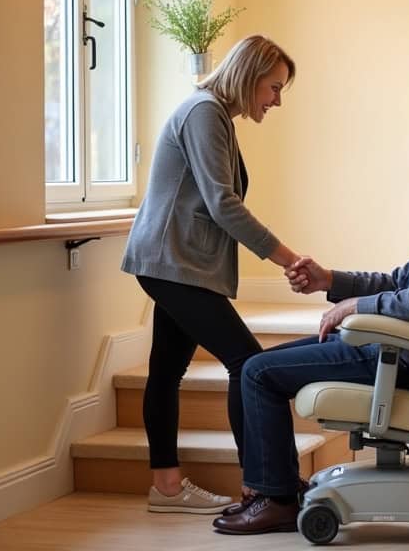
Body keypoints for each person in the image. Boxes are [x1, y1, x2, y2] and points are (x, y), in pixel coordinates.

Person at [212, 116, 409, 534]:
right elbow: (400, 281)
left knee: (257, 373)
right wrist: (331, 281)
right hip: (402, 351)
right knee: (259, 365)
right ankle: (278, 487)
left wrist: (357, 305)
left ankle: (278, 499)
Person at [121, 35, 302, 514]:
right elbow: (224, 204)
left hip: (175, 263)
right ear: (250, 75)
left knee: (167, 370)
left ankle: (166, 488)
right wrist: (287, 258)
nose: (277, 100)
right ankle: (260, 485)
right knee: (248, 363)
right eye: (274, 87)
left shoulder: (213, 113)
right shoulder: (204, 112)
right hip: (172, 262)